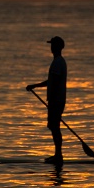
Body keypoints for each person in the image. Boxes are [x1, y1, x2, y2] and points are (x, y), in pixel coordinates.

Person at [26, 36, 67, 164]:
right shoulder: (58, 61)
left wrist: (52, 101)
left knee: (55, 127)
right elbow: (52, 82)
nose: (51, 47)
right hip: (56, 100)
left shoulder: (58, 62)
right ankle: (57, 155)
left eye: (53, 45)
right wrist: (36, 86)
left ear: (57, 47)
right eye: (51, 45)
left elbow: (53, 82)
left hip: (56, 100)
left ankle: (58, 156)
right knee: (53, 126)